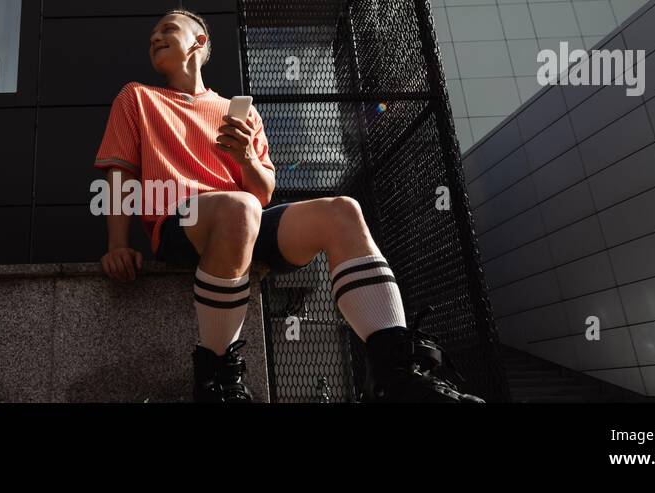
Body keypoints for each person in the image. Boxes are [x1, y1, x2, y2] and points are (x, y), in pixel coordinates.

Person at [92, 9, 483, 404]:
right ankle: (216, 379)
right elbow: (120, 172)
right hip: (183, 222)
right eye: (152, 35)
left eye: (168, 29)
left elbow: (262, 194)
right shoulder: (137, 97)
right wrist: (117, 245)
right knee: (239, 208)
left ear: (199, 42)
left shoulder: (238, 112)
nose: (155, 37)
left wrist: (245, 158)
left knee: (342, 210)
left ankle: (395, 376)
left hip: (244, 218)